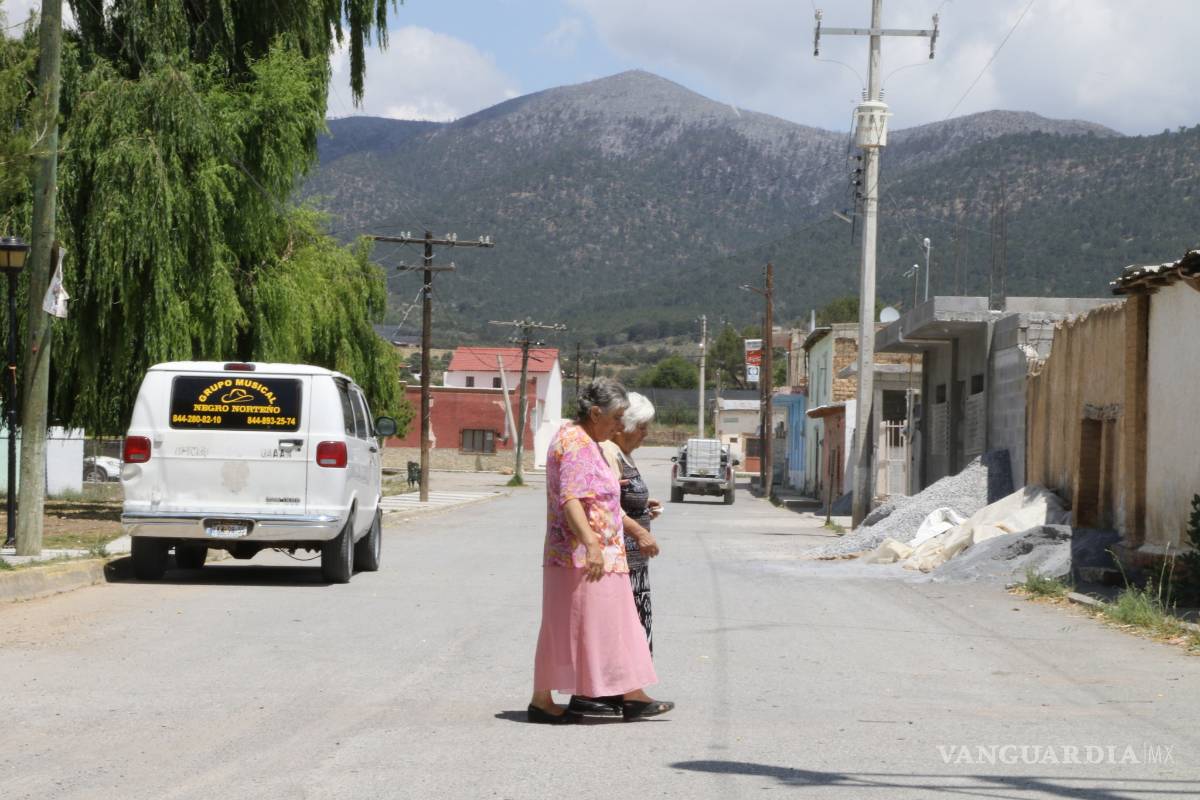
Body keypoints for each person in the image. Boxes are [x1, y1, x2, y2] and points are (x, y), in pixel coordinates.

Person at [529, 378, 674, 724]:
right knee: (592, 627)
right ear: (595, 413)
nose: (620, 425)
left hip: (596, 556)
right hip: (582, 558)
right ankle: (546, 700)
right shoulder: (576, 442)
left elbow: (598, 498)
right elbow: (571, 500)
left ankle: (629, 694)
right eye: (616, 416)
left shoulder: (588, 440)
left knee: (610, 625)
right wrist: (592, 546)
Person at [599, 392, 660, 653]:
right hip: (620, 559)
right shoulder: (609, 452)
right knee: (623, 626)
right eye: (642, 427)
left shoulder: (624, 454)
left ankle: (631, 690)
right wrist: (639, 531)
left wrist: (643, 507)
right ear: (624, 426)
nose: (645, 434)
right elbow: (605, 504)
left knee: (635, 622)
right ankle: (622, 690)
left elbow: (621, 497)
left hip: (633, 562)